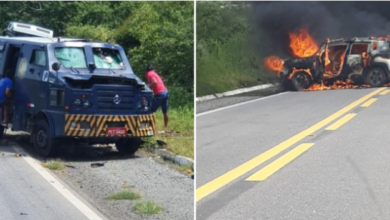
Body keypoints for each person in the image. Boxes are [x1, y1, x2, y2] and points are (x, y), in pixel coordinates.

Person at [145, 64, 169, 129]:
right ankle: (166, 127)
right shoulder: (155, 73)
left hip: (160, 93)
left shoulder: (149, 74)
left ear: (146, 71)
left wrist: (149, 88)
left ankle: (150, 127)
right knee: (165, 111)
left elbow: (154, 82)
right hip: (165, 91)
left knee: (150, 110)